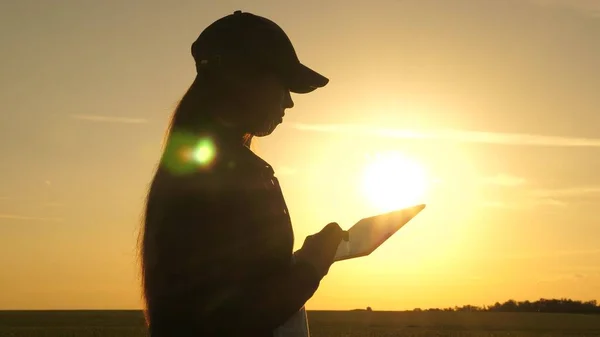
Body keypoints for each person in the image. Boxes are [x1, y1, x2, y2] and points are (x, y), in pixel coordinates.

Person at [138, 10, 345, 337]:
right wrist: (310, 267)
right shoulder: (230, 175)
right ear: (244, 81)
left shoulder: (192, 169)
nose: (289, 102)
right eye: (283, 83)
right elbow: (230, 318)